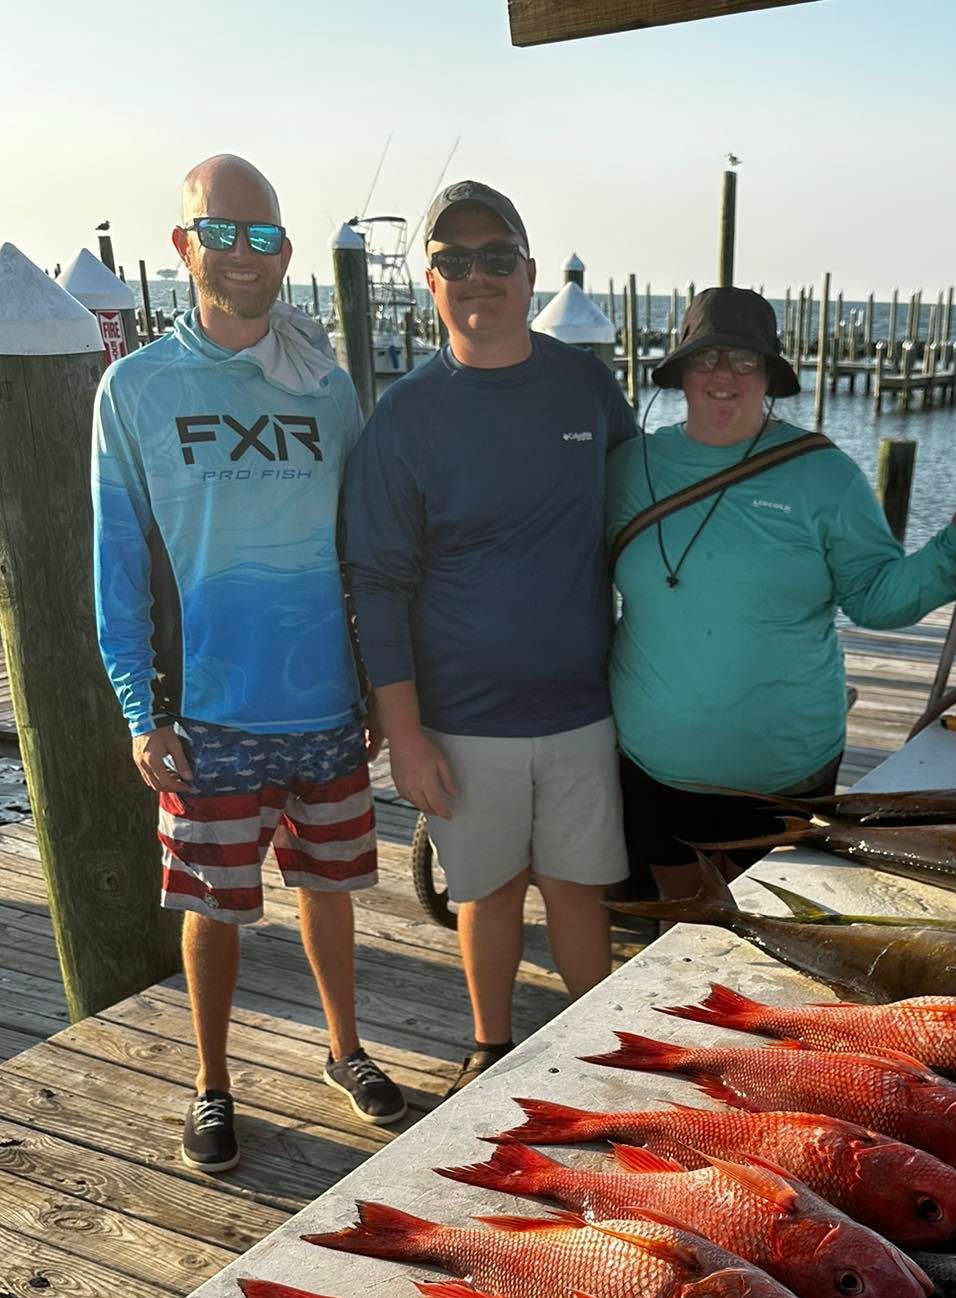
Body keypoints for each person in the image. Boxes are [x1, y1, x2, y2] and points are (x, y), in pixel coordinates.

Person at [92, 153, 405, 1175]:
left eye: (263, 237)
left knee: (330, 889)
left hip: (321, 703)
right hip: (208, 712)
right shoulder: (134, 389)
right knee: (210, 907)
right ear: (184, 244)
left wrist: (370, 679)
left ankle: (345, 1050)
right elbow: (117, 564)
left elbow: (363, 543)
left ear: (283, 254)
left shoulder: (325, 383)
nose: (242, 254)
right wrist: (143, 709)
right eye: (220, 232)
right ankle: (209, 1080)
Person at [344, 181, 636, 1090]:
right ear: (429, 284)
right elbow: (378, 584)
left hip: (586, 707)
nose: (479, 276)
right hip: (462, 720)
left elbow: (647, 514)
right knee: (487, 891)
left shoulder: (587, 382)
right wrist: (403, 733)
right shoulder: (404, 417)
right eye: (454, 262)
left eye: (496, 257)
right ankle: (492, 1046)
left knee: (580, 887)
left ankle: (610, 1050)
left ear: (529, 268)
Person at [607, 287, 956, 898]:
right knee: (683, 929)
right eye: (706, 358)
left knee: (776, 934)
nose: (723, 375)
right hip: (655, 768)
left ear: (769, 376)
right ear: (680, 370)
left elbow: (876, 598)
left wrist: (954, 544)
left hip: (786, 771)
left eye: (744, 360)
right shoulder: (627, 469)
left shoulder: (824, 475)